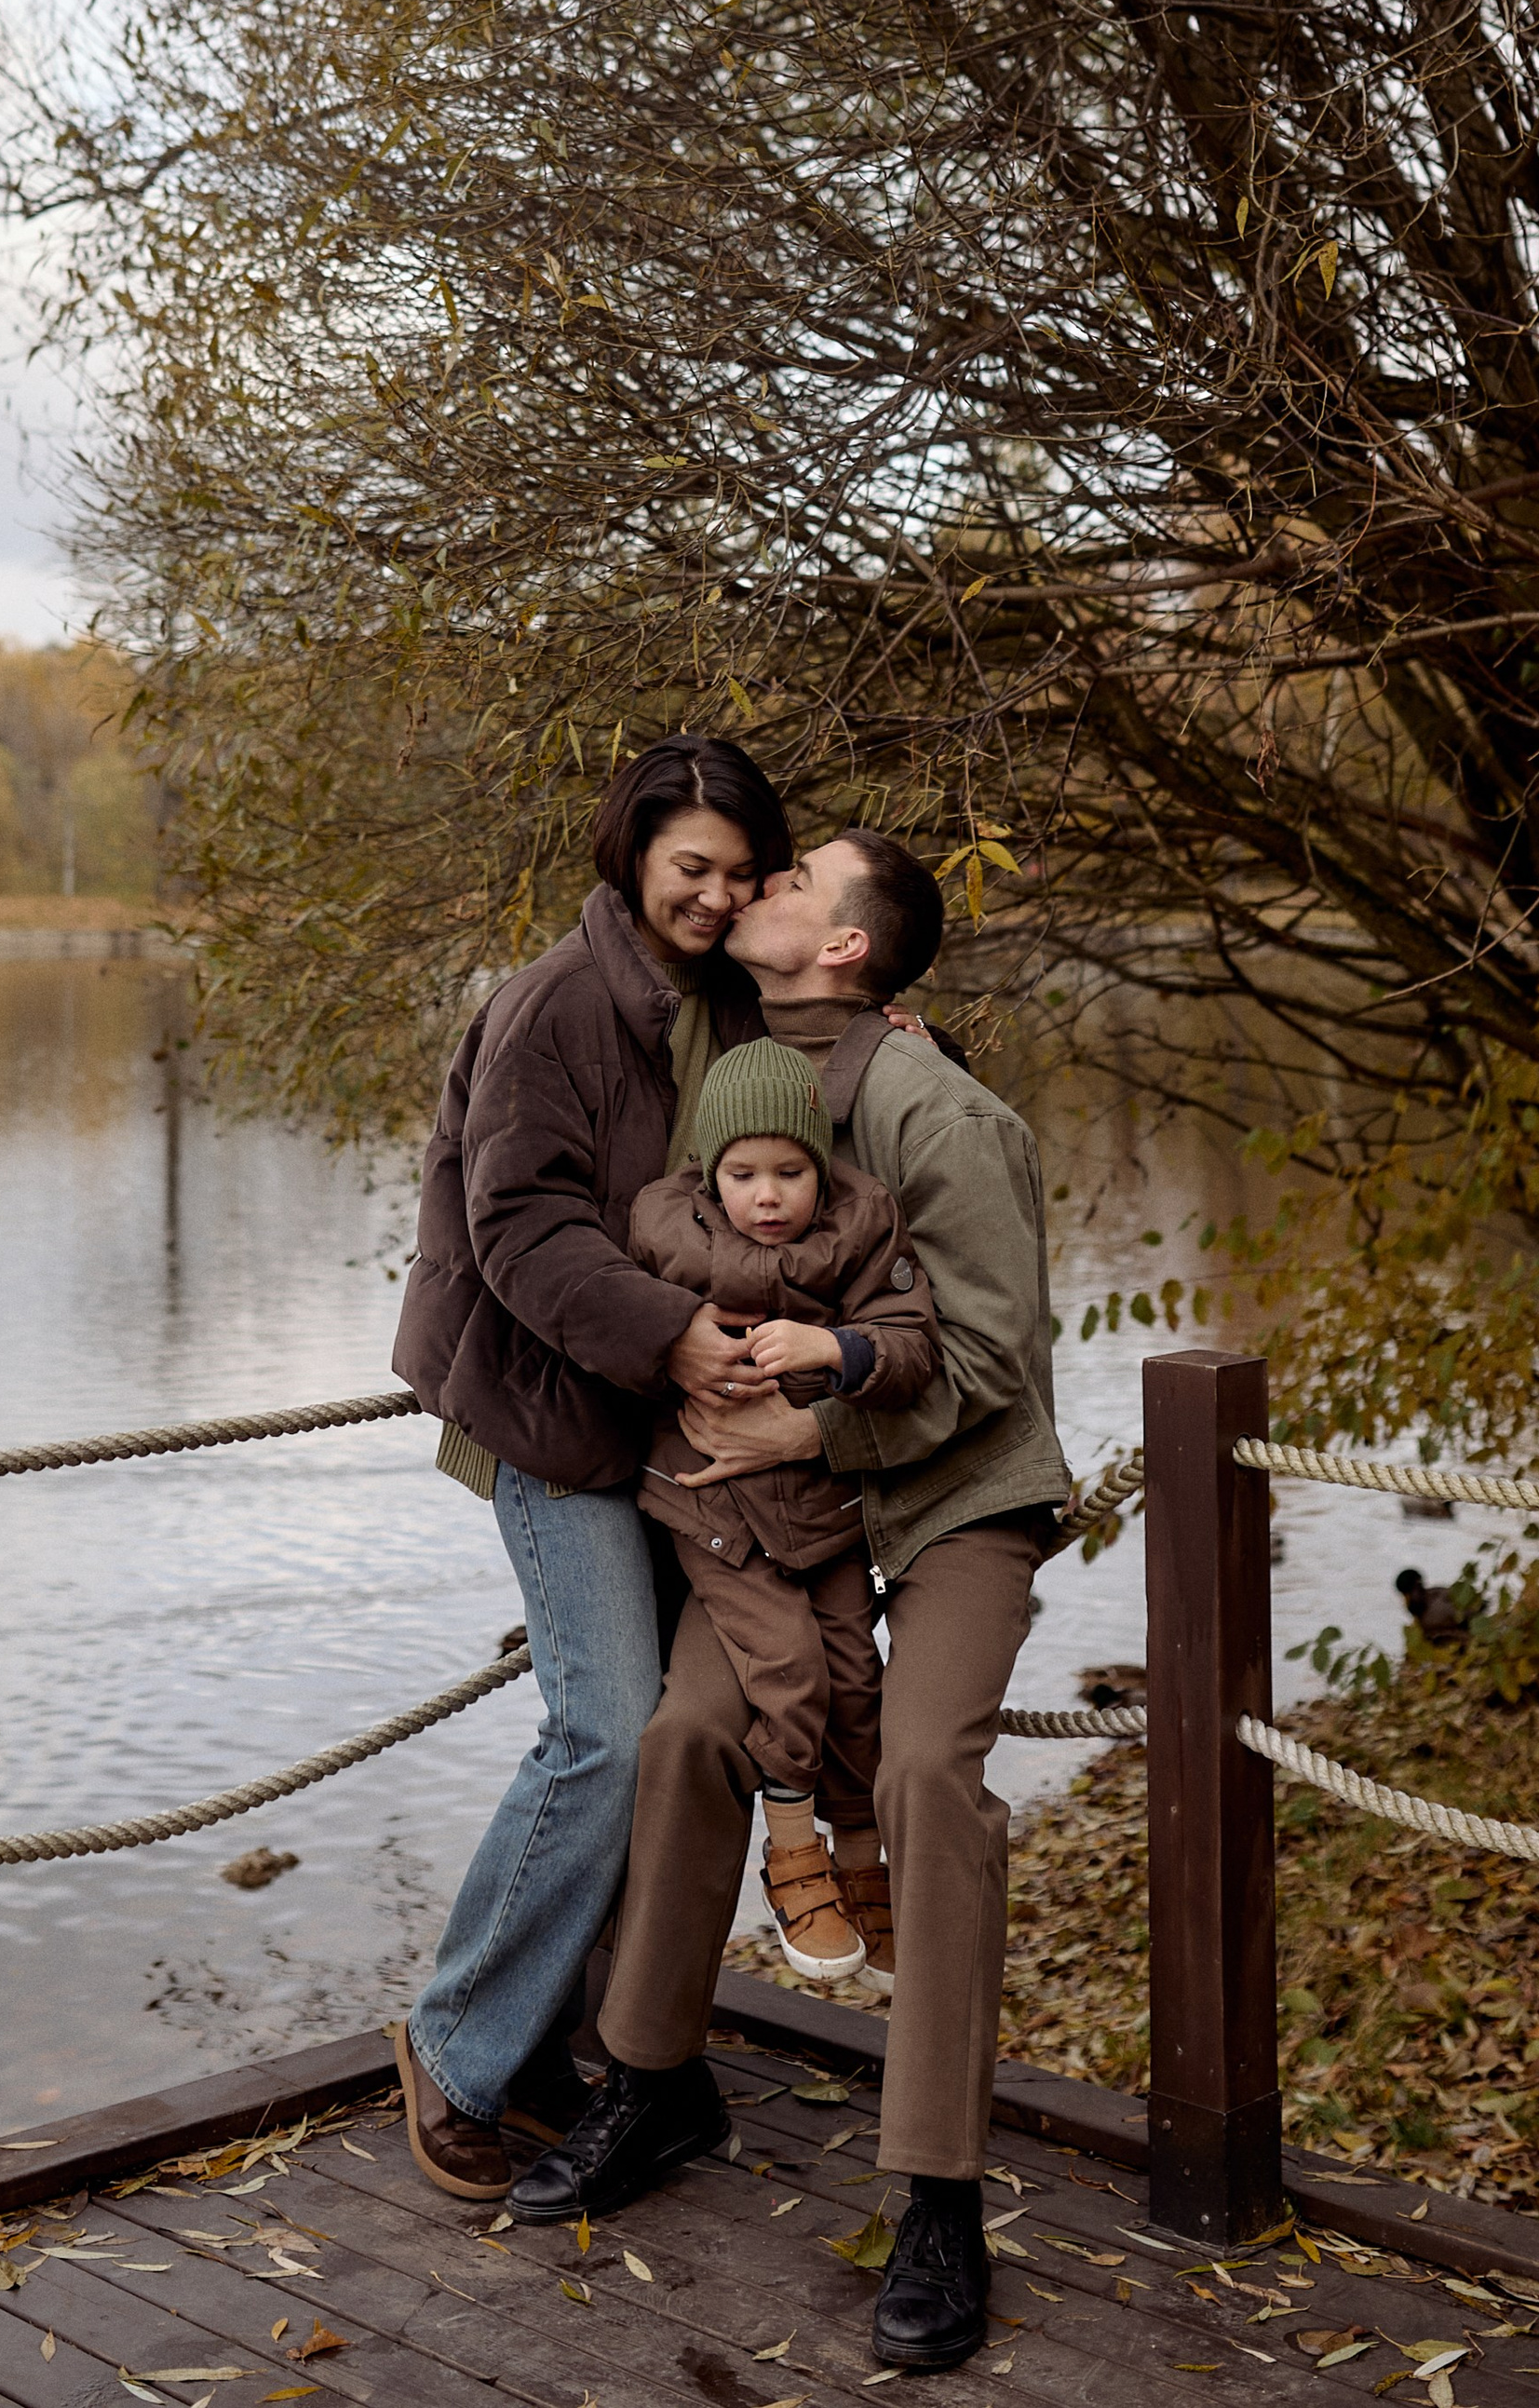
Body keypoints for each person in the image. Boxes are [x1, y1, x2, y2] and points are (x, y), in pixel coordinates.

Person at [508, 828, 1071, 2385]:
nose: (753, 887)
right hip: (777, 1507)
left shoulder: (940, 1110)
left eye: (789, 880)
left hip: (951, 1485)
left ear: (847, 947)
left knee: (926, 1769)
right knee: (685, 1729)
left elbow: (993, 1359)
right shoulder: (736, 1053)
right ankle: (653, 2077)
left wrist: (814, 1429)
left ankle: (939, 2190)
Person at [384, 732, 787, 2204]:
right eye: (693, 867)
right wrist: (672, 1335)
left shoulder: (732, 1003)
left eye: (742, 874)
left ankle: (557, 2038)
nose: (716, 895)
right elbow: (521, 1228)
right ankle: (455, 2045)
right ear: (634, 852)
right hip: (551, 1411)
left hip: (673, 1435)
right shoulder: (554, 1002)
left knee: (677, 1742)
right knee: (605, 1729)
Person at [624, 1038, 940, 1982]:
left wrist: (835, 1347)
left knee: (856, 1676)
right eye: (743, 1175)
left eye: (790, 1173)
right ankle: (794, 1851)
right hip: (715, 1507)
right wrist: (674, 1349)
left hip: (823, 1501)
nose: (767, 1197)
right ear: (708, 1171)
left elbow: (912, 1343)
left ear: (822, 1166)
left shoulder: (862, 1223)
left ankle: (861, 1859)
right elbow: (616, 1336)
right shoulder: (664, 1230)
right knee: (790, 1670)